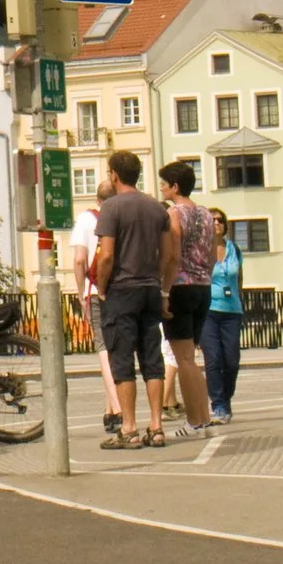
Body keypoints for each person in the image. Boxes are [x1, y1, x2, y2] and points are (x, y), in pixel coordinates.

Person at [91, 151, 175, 449]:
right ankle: (157, 425)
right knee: (152, 358)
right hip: (150, 289)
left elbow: (106, 256)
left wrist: (102, 288)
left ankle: (129, 428)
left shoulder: (111, 208)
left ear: (114, 174)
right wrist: (161, 286)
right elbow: (169, 255)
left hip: (122, 291)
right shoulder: (156, 208)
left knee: (122, 359)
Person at [158, 162, 215, 435]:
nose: (161, 187)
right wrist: (204, 275)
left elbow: (173, 255)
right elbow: (213, 256)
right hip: (203, 287)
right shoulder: (205, 214)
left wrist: (164, 291)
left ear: (175, 186)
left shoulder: (174, 214)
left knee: (185, 360)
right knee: (191, 357)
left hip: (180, 287)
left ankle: (194, 420)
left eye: (164, 183)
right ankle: (203, 417)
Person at [68, 180, 121, 436]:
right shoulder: (123, 215)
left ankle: (119, 408)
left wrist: (80, 293)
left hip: (95, 289)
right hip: (121, 289)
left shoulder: (87, 219)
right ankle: (109, 410)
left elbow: (80, 259)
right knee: (116, 348)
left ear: (96, 198)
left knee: (102, 348)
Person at [200, 208, 245, 424]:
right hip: (208, 310)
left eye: (220, 220)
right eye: (213, 220)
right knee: (213, 359)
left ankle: (226, 398)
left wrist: (240, 301)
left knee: (232, 361)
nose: (217, 223)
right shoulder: (201, 250)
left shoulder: (234, 249)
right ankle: (218, 404)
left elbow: (239, 280)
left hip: (232, 311)